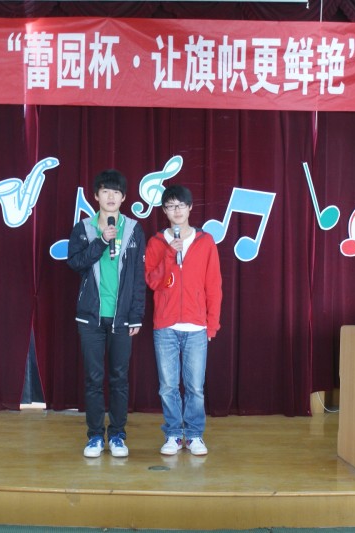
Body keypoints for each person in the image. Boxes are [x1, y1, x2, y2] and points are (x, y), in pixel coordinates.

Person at [66, 169, 146, 458]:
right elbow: (75, 263)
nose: (111, 197)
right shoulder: (84, 228)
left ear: (123, 198)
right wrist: (101, 241)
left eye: (116, 192)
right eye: (105, 191)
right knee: (93, 379)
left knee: (119, 378)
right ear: (96, 196)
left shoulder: (134, 229)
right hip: (91, 317)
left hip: (122, 318)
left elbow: (138, 276)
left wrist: (136, 315)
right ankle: (95, 437)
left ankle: (118, 435)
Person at [145, 185, 222, 456]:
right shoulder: (156, 242)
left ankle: (195, 434)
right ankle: (173, 435)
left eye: (180, 205)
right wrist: (169, 253)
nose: (176, 211)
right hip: (165, 326)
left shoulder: (206, 242)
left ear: (190, 208)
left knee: (195, 387)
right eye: (170, 206)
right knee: (168, 386)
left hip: (196, 326)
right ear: (164, 211)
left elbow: (214, 285)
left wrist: (212, 323)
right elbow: (153, 282)